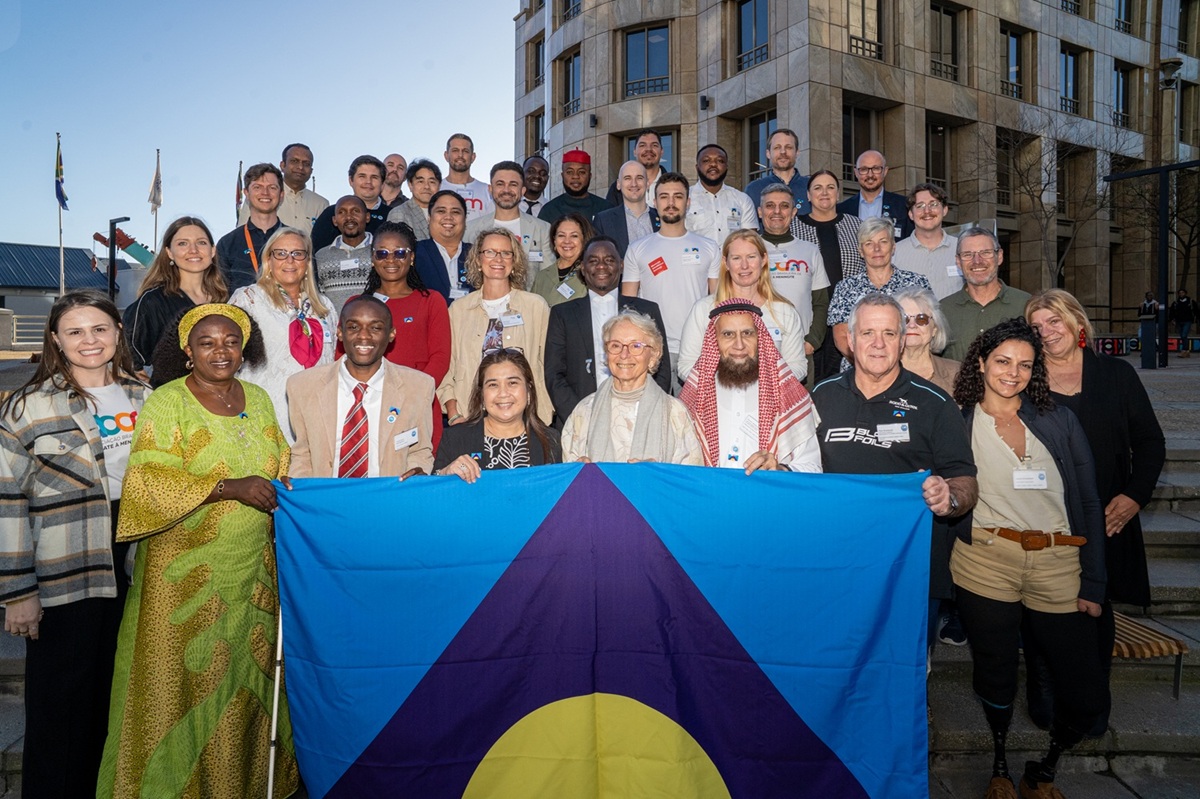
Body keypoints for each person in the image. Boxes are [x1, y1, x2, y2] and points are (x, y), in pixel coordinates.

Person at [97, 303, 298, 798]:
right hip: (183, 576)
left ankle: (246, 785)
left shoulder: (259, 398)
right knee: (184, 685)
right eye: (207, 342)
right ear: (187, 351)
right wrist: (230, 487)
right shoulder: (168, 402)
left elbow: (278, 462)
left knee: (246, 683)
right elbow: (146, 481)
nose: (220, 351)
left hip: (255, 572)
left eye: (230, 341)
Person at [0, 291, 150, 799]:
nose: (90, 341)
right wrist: (18, 591)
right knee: (60, 706)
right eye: (76, 331)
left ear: (118, 333)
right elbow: (6, 502)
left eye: (100, 329)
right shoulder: (26, 406)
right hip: (64, 563)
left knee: (115, 697)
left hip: (132, 557)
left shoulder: (144, 396)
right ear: (56, 340)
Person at [949, 317, 1106, 799]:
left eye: (1024, 364)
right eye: (1002, 361)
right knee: (994, 670)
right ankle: (1000, 766)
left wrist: (1094, 582)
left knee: (1082, 689)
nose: (1012, 373)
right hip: (985, 561)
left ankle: (1045, 769)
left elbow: (1087, 500)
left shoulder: (1057, 418)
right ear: (981, 361)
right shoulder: (957, 419)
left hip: (1059, 562)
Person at [1025, 289, 1165, 736]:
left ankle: (1091, 700)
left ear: (1077, 323)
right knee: (1043, 610)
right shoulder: (1026, 379)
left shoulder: (1116, 375)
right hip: (1044, 516)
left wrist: (1134, 496)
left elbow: (1149, 443)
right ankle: (1044, 692)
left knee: (1095, 609)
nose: (1047, 333)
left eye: (1054, 321)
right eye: (1037, 326)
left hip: (1108, 513)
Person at [811, 293, 978, 667]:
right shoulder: (821, 396)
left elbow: (965, 479)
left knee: (905, 668)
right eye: (867, 332)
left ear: (903, 340)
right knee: (837, 659)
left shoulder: (935, 403)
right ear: (850, 341)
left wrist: (948, 497)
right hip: (838, 562)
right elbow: (802, 471)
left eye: (889, 333)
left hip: (909, 569)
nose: (878, 343)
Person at [288, 295, 434, 479]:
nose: (364, 335)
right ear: (340, 332)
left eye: (375, 327)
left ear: (391, 334)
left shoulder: (419, 386)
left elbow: (419, 451)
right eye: (353, 327)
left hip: (388, 499)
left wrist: (416, 473)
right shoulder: (302, 386)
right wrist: (302, 494)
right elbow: (303, 454)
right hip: (325, 499)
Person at [680, 299, 821, 473]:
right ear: (714, 340)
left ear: (759, 337)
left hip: (766, 497)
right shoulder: (695, 396)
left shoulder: (789, 396)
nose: (739, 345)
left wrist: (781, 469)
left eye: (747, 333)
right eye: (728, 334)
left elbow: (812, 468)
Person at [545, 236, 672, 425]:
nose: (601, 266)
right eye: (593, 261)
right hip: (580, 420)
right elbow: (554, 374)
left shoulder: (647, 310)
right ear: (582, 267)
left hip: (639, 419)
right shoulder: (562, 314)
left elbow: (661, 368)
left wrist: (644, 411)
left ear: (621, 266)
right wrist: (581, 416)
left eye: (609, 260)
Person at [230, 226, 338, 442]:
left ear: (306, 262)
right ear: (269, 260)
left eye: (298, 254)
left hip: (316, 421)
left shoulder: (324, 307)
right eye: (280, 253)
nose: (289, 260)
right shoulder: (249, 300)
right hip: (265, 419)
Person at [439, 228, 553, 426]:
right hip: (469, 417)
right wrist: (453, 413)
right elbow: (448, 367)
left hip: (528, 419)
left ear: (514, 261)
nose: (498, 259)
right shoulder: (459, 310)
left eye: (506, 253)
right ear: (478, 260)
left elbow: (549, 366)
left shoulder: (536, 306)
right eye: (490, 252)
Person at [561, 311, 702, 465]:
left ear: (653, 355)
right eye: (616, 345)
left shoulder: (675, 412)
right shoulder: (584, 410)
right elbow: (568, 476)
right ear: (607, 353)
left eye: (636, 346)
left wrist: (657, 474)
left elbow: (689, 479)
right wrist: (578, 471)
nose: (624, 354)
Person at [358, 221, 451, 451]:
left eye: (400, 253)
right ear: (372, 258)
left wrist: (412, 397)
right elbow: (344, 360)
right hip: (368, 407)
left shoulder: (431, 301)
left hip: (418, 405)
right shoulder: (357, 306)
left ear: (412, 258)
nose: (391, 260)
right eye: (382, 253)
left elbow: (440, 358)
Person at [621, 172, 721, 372]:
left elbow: (718, 300)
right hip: (653, 347)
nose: (671, 202)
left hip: (697, 347)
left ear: (688, 202)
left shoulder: (709, 247)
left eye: (678, 196)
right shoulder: (637, 248)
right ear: (655, 202)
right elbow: (628, 305)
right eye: (664, 197)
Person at [678, 229, 808, 382]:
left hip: (771, 400)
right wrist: (724, 386)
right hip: (717, 400)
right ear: (725, 263)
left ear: (764, 259)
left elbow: (798, 366)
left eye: (751, 257)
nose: (744, 266)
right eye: (736, 258)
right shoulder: (704, 310)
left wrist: (762, 387)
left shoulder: (785, 312)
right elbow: (686, 365)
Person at [123, 216, 228, 385]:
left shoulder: (227, 301)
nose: (193, 250)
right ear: (169, 253)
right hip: (175, 405)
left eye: (201, 242)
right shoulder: (153, 302)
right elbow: (130, 360)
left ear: (213, 251)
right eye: (182, 243)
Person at [434, 349, 562, 479]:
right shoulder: (455, 438)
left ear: (529, 390)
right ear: (482, 395)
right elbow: (431, 491)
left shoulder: (551, 440)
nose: (503, 393)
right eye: (493, 385)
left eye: (512, 383)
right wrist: (445, 473)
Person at [827, 217, 932, 366]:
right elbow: (842, 337)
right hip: (858, 370)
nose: (877, 249)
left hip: (909, 370)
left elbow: (928, 330)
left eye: (883, 242)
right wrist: (869, 366)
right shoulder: (845, 288)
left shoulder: (917, 284)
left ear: (893, 247)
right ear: (861, 251)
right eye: (869, 243)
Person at [790, 169, 864, 381]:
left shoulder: (856, 225)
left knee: (843, 381)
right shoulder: (794, 227)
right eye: (818, 188)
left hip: (847, 319)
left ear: (838, 194)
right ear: (808, 195)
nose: (824, 193)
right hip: (809, 320)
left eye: (830, 187)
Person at [758, 183, 830, 384]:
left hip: (799, 350)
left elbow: (821, 302)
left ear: (794, 211)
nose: (777, 212)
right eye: (770, 206)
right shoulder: (748, 248)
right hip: (756, 349)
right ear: (760, 211)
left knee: (799, 412)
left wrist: (813, 341)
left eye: (784, 206)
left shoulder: (810, 250)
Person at [940, 227, 1031, 361]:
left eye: (985, 252)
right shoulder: (942, 310)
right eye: (968, 254)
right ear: (958, 262)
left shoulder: (1026, 305)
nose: (977, 260)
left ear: (999, 256)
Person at [465, 160, 556, 283]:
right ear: (490, 189)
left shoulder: (542, 229)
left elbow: (548, 277)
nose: (506, 190)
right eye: (500, 184)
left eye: (513, 184)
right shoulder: (470, 229)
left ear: (522, 190)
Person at [217, 163, 285, 290]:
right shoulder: (227, 244)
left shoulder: (298, 241)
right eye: (257, 187)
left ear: (281, 195)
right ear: (246, 193)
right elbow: (220, 294)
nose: (265, 193)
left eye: (272, 187)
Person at [892, 183, 962, 300]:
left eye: (933, 204)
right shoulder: (895, 254)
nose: (927, 211)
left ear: (944, 210)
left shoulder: (962, 249)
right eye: (920, 206)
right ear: (910, 214)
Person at [238, 143, 329, 231]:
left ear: (311, 170)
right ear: (282, 165)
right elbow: (243, 233)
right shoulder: (264, 197)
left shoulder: (321, 204)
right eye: (294, 161)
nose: (300, 167)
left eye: (306, 163)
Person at [311, 155, 390, 252]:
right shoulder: (331, 213)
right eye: (362, 176)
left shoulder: (392, 215)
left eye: (374, 177)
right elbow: (317, 253)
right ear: (351, 181)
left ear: (382, 184)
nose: (368, 182)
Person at [685, 144, 758, 247]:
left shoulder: (742, 199)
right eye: (706, 160)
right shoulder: (684, 198)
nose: (713, 164)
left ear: (727, 167)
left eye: (720, 161)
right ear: (697, 167)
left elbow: (750, 242)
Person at [837, 149, 914, 240]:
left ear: (885, 171)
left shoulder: (904, 206)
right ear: (856, 173)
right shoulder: (841, 210)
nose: (870, 175)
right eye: (864, 169)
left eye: (876, 168)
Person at [895, 287, 959, 394]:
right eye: (903, 319)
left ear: (934, 329)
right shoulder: (879, 371)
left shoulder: (957, 373)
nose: (911, 325)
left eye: (921, 319)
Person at [314, 195, 374, 310]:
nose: (349, 217)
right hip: (334, 327)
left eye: (355, 211)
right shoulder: (320, 256)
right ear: (334, 220)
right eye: (342, 212)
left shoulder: (381, 253)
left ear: (367, 217)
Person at [591, 160, 662, 258]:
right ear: (618, 184)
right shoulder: (603, 221)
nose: (634, 184)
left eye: (639, 178)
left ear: (648, 183)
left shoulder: (662, 217)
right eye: (627, 178)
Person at [414, 189, 472, 303]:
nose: (448, 217)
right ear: (429, 218)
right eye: (441, 211)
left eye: (455, 212)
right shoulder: (415, 254)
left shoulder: (477, 254)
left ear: (465, 220)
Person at [744, 128, 811, 218]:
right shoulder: (753, 189)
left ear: (797, 152)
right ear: (768, 154)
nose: (783, 152)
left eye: (788, 147)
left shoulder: (812, 186)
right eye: (777, 147)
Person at [531, 212, 593, 306]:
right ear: (554, 240)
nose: (567, 241)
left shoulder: (591, 274)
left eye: (574, 236)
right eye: (561, 235)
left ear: (584, 240)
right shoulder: (541, 276)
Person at [538, 148, 612, 225]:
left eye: (582, 172)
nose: (576, 176)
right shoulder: (549, 210)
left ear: (590, 176)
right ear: (562, 176)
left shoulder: (606, 209)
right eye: (569, 172)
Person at [606, 129, 665, 207]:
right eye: (642, 145)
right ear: (634, 151)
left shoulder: (673, 184)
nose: (648, 149)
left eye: (654, 145)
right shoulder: (617, 189)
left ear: (661, 152)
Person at [441, 133, 494, 221]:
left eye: (465, 151)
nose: (460, 155)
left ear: (473, 157)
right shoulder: (436, 189)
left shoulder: (487, 191)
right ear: (446, 155)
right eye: (455, 150)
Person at [387, 158, 442, 241]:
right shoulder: (399, 213)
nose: (426, 186)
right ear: (410, 185)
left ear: (439, 186)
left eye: (432, 182)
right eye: (420, 181)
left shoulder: (445, 213)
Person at [1169, 287, 1195, 356]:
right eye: (1180, 293)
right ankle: (1186, 351)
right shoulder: (1176, 303)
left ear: (1185, 293)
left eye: (1182, 293)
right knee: (1182, 336)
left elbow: (1196, 311)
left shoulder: (1190, 301)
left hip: (1187, 321)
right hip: (1179, 321)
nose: (1181, 294)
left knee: (1184, 335)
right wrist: (1172, 319)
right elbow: (1172, 312)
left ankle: (1184, 350)